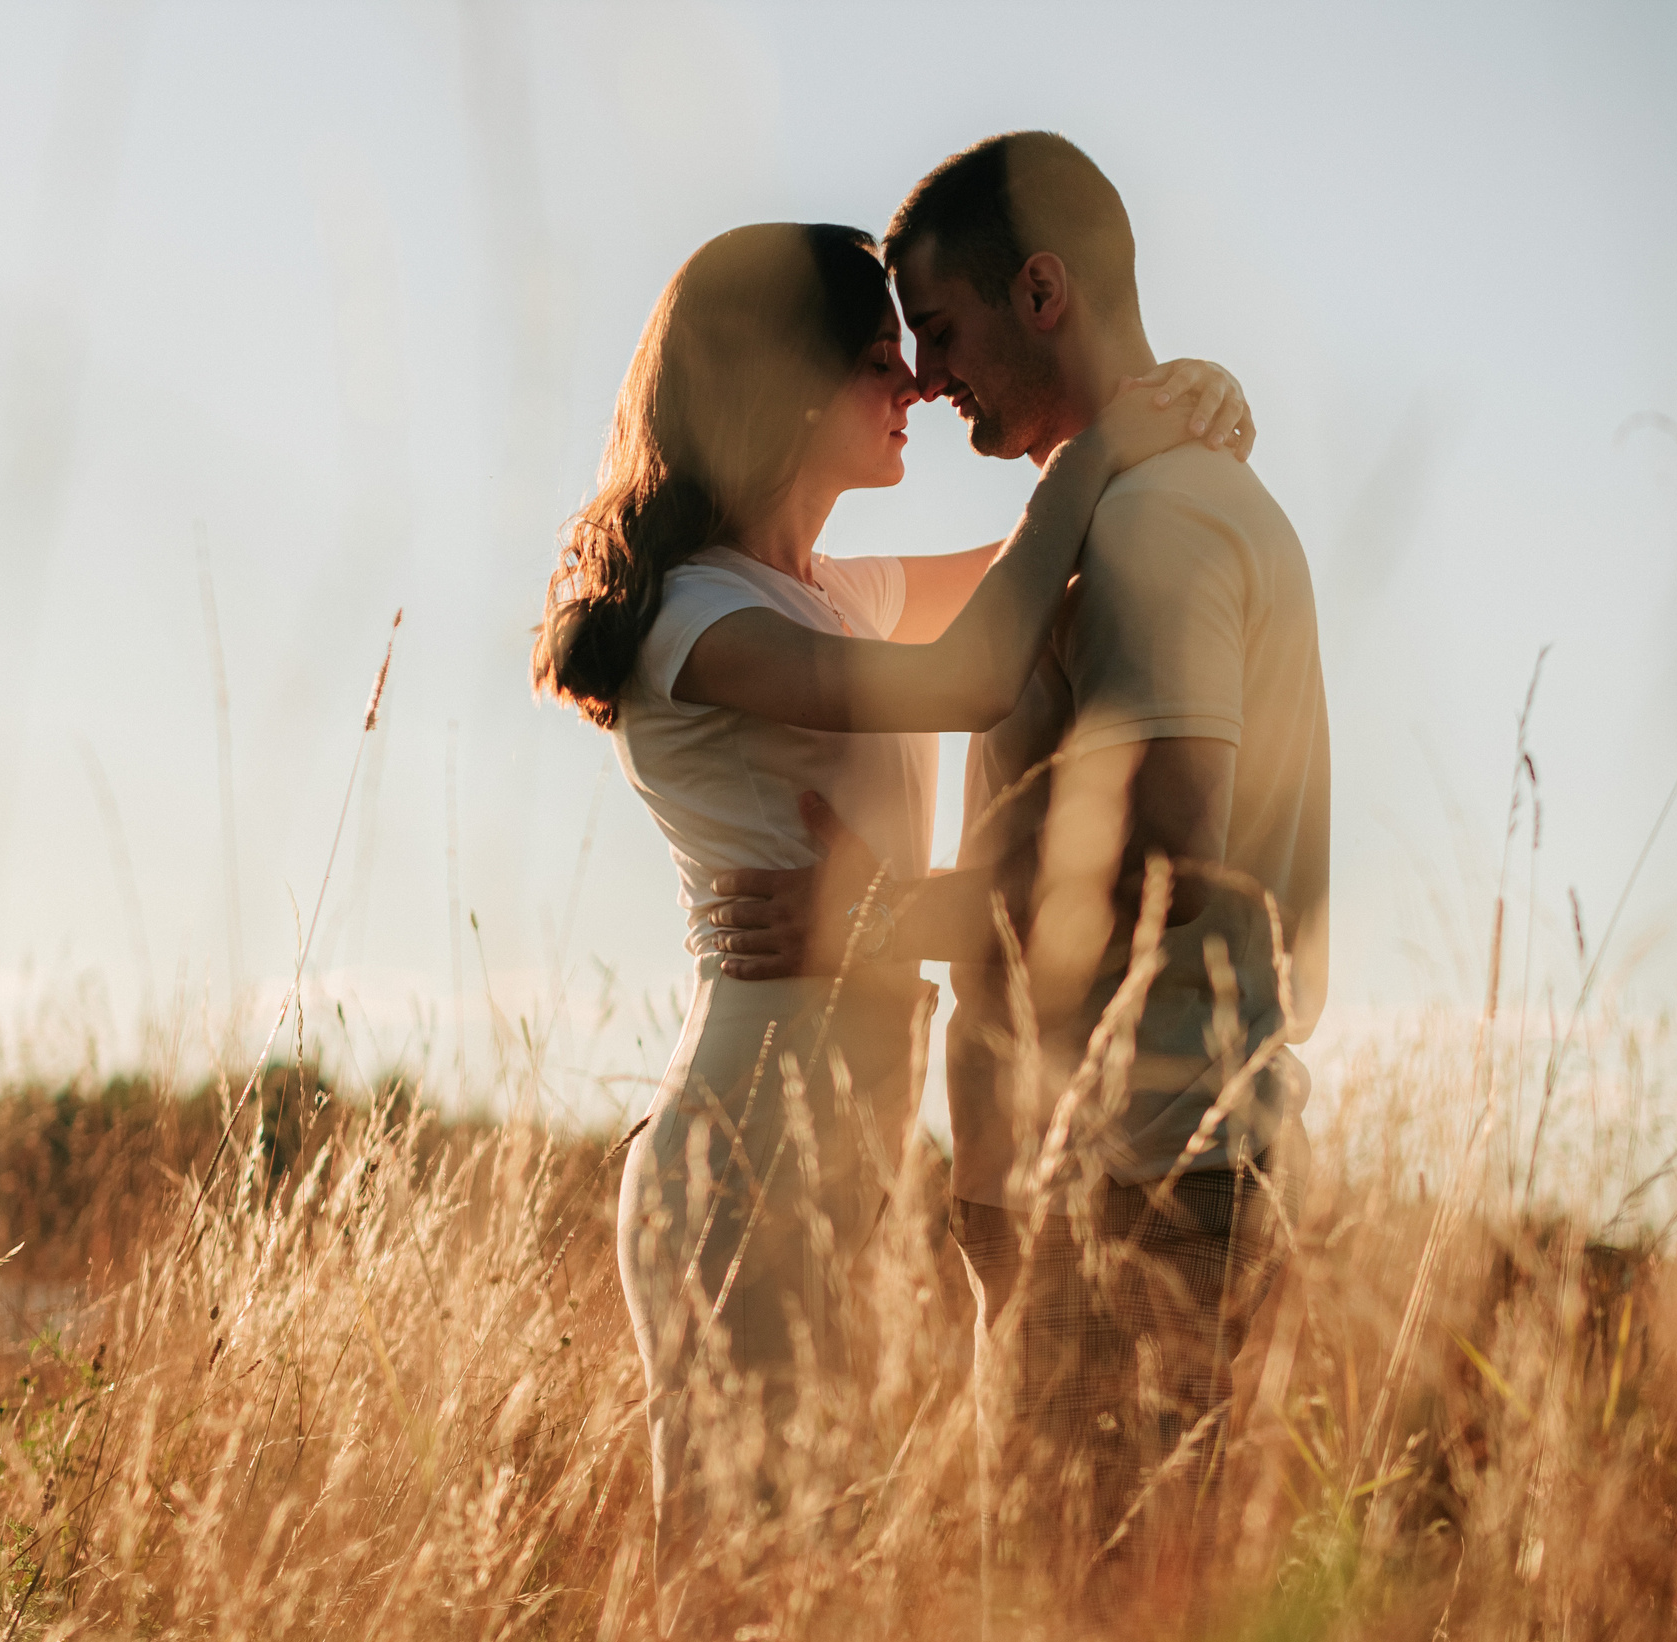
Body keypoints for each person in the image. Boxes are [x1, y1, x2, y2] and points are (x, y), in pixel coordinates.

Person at [532, 217, 1254, 1568]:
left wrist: (1180, 417)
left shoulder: (825, 595)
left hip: (830, 1143)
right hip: (748, 1145)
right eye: (879, 359)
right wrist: (1096, 453)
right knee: (738, 1588)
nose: (917, 384)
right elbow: (972, 670)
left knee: (792, 1576)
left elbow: (1045, 562)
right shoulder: (696, 617)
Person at [711, 134, 1330, 1569]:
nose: (926, 377)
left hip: (1141, 1181)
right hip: (1085, 1176)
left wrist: (876, 919)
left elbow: (1164, 858)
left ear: (1042, 291)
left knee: (1089, 1623)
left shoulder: (1161, 522)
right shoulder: (1108, 514)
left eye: (940, 329)